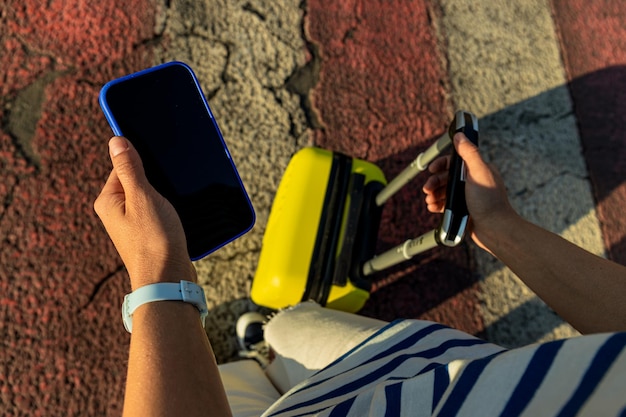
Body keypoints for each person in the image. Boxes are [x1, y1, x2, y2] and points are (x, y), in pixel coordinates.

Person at [94, 133, 626, 417]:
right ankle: (265, 347)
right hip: (409, 366)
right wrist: (500, 228)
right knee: (291, 328)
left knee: (229, 387)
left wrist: (158, 275)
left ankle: (255, 361)